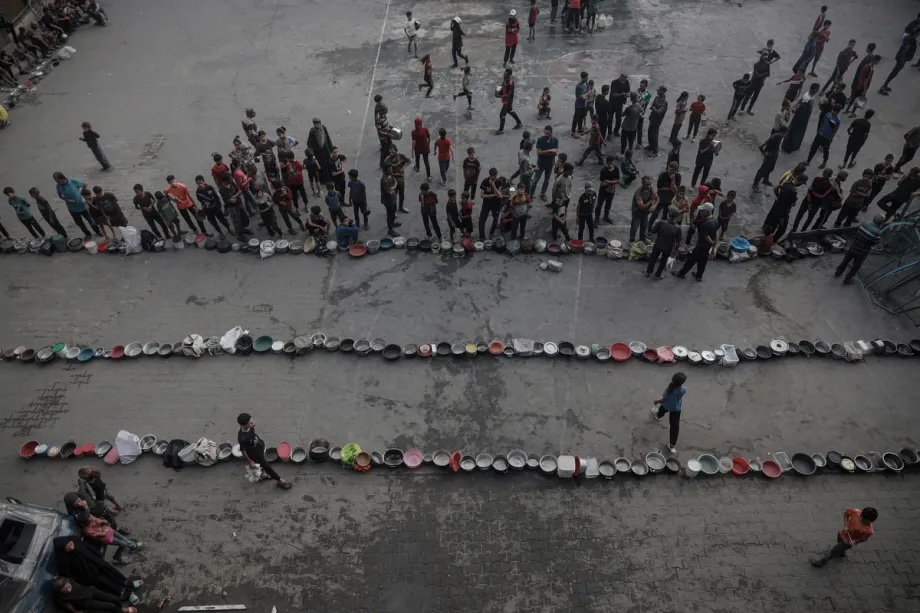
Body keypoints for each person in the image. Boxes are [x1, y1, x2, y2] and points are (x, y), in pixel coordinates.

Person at [53, 537, 142, 601]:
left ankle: (127, 582)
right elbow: (68, 574)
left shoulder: (76, 542)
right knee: (108, 583)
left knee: (113, 573)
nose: (71, 547)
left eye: (71, 544)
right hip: (91, 574)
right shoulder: (63, 560)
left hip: (98, 563)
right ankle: (127, 594)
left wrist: (98, 555)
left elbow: (88, 547)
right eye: (68, 547)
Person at [237, 413, 292, 489]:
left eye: (252, 420)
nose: (253, 423)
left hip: (259, 448)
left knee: (262, 466)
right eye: (250, 422)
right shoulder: (242, 438)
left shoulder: (249, 427)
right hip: (255, 454)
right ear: (245, 425)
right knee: (267, 467)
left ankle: (262, 475)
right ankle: (280, 481)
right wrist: (249, 461)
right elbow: (243, 450)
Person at [811, 507, 878, 567]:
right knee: (839, 543)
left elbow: (863, 539)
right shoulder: (856, 511)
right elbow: (846, 513)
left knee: (833, 551)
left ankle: (822, 562)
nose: (860, 517)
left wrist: (855, 541)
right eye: (861, 515)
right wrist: (845, 525)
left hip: (847, 542)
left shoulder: (869, 531)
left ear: (870, 521)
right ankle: (842, 553)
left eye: (862, 518)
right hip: (841, 533)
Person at [674, 202, 716, 281]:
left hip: (701, 246)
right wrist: (713, 246)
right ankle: (699, 276)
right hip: (707, 248)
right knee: (702, 262)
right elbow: (716, 234)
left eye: (702, 210)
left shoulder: (705, 224)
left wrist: (712, 243)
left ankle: (681, 273)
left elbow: (707, 237)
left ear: (707, 211)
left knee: (691, 260)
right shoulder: (715, 220)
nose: (700, 212)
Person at [54, 172, 100, 239]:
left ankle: (98, 231)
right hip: (72, 209)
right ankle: (87, 234)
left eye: (58, 180)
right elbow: (60, 195)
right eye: (56, 181)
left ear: (62, 178)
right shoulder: (58, 186)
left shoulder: (73, 182)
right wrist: (66, 200)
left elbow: (84, 184)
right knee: (80, 223)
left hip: (82, 206)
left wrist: (82, 193)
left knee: (90, 220)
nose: (57, 182)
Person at [52, 576, 136, 613]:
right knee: (110, 606)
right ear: (60, 591)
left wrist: (90, 587)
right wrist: (77, 611)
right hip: (85, 602)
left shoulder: (70, 579)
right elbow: (69, 606)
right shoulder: (61, 598)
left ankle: (123, 608)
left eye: (68, 586)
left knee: (114, 598)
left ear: (67, 581)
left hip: (91, 591)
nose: (68, 590)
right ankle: (121, 611)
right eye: (65, 590)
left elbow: (78, 583)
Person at [652, 372, 688, 452]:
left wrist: (656, 401)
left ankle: (658, 416)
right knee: (674, 427)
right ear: (682, 383)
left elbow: (663, 400)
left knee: (661, 411)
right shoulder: (684, 389)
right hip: (676, 408)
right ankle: (672, 445)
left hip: (666, 406)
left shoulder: (668, 390)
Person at [782, 83, 820, 154]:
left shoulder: (808, 95)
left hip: (803, 119)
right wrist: (792, 109)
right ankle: (790, 147)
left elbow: (799, 101)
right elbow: (800, 109)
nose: (818, 90)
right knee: (795, 133)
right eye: (817, 89)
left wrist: (793, 106)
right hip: (800, 120)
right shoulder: (808, 99)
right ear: (813, 89)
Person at [791, 168, 832, 234]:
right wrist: (810, 199)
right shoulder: (817, 179)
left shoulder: (830, 184)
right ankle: (794, 228)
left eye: (825, 173)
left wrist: (813, 193)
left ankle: (802, 231)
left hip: (816, 203)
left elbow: (823, 195)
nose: (823, 173)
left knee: (809, 218)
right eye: (824, 172)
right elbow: (810, 189)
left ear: (829, 175)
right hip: (808, 199)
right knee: (800, 214)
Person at [879, 31, 917, 95]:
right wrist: (902, 61)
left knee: (894, 72)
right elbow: (904, 50)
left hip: (902, 59)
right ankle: (883, 86)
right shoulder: (910, 41)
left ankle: (885, 85)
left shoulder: (910, 39)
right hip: (902, 60)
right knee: (894, 72)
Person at [646, 208, 680, 279]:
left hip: (658, 244)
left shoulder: (661, 223)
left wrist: (655, 224)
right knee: (663, 261)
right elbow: (678, 241)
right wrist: (675, 251)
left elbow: (653, 231)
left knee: (653, 258)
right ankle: (658, 275)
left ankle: (648, 272)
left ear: (668, 214)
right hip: (668, 247)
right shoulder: (678, 228)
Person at [630, 175, 658, 244]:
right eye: (647, 184)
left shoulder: (651, 188)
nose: (649, 186)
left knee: (644, 226)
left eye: (650, 184)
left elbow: (657, 198)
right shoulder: (638, 192)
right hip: (637, 213)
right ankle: (631, 240)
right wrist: (651, 201)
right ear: (643, 183)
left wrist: (654, 206)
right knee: (634, 227)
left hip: (645, 213)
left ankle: (642, 239)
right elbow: (641, 206)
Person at [533, 125, 559, 199]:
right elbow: (538, 153)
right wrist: (549, 151)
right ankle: (531, 194)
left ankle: (543, 193)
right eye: (545, 133)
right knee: (535, 180)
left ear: (551, 132)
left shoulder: (555, 140)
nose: (546, 135)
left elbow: (555, 153)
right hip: (540, 164)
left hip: (550, 164)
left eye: (547, 133)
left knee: (546, 180)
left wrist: (544, 152)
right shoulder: (540, 139)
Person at [595, 155, 619, 225]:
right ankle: (597, 218)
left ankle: (606, 216)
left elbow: (618, 180)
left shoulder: (616, 169)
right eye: (609, 163)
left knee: (608, 203)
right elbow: (602, 183)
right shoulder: (603, 170)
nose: (611, 164)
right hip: (603, 191)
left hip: (611, 190)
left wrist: (608, 182)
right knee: (599, 204)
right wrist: (613, 182)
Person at [478, 168, 501, 239]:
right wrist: (494, 195)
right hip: (486, 204)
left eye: (496, 176)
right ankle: (482, 237)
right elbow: (482, 195)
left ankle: (491, 233)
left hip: (496, 204)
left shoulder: (499, 181)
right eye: (494, 176)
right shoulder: (485, 182)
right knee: (481, 220)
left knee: (495, 218)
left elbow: (499, 195)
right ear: (490, 176)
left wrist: (493, 185)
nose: (495, 177)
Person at [645, 85, 668, 155]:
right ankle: (650, 146)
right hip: (652, 118)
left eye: (659, 90)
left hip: (657, 121)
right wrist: (654, 108)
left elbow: (659, 112)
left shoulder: (664, 101)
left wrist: (654, 108)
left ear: (663, 92)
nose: (657, 91)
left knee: (654, 135)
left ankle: (655, 150)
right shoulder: (656, 97)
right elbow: (652, 106)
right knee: (649, 133)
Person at [410, 116, 432, 182]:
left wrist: (412, 152)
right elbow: (429, 138)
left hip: (417, 149)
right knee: (426, 162)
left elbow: (414, 142)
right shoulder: (425, 130)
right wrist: (428, 144)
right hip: (425, 148)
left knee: (417, 158)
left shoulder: (413, 132)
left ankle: (417, 167)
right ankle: (429, 176)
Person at [380, 169, 399, 236]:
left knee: (393, 211)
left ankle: (393, 223)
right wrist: (395, 185)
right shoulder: (384, 180)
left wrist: (393, 186)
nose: (390, 170)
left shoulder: (390, 175)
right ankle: (390, 229)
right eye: (389, 169)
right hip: (388, 200)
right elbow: (388, 192)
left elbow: (394, 181)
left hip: (393, 198)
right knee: (390, 214)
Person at [571, 72, 589, 137]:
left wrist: (586, 94)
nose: (587, 79)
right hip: (579, 105)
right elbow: (583, 98)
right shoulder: (579, 86)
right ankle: (573, 132)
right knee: (576, 118)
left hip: (584, 105)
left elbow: (587, 91)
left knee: (581, 117)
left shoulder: (585, 83)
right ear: (583, 78)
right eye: (586, 77)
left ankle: (579, 128)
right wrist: (587, 94)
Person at [634, 80, 652, 148]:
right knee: (633, 127)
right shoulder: (638, 90)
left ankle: (639, 142)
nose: (641, 87)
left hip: (641, 113)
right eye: (640, 85)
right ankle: (633, 139)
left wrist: (635, 99)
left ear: (646, 86)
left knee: (639, 128)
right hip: (634, 111)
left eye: (643, 86)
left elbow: (642, 103)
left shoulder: (648, 94)